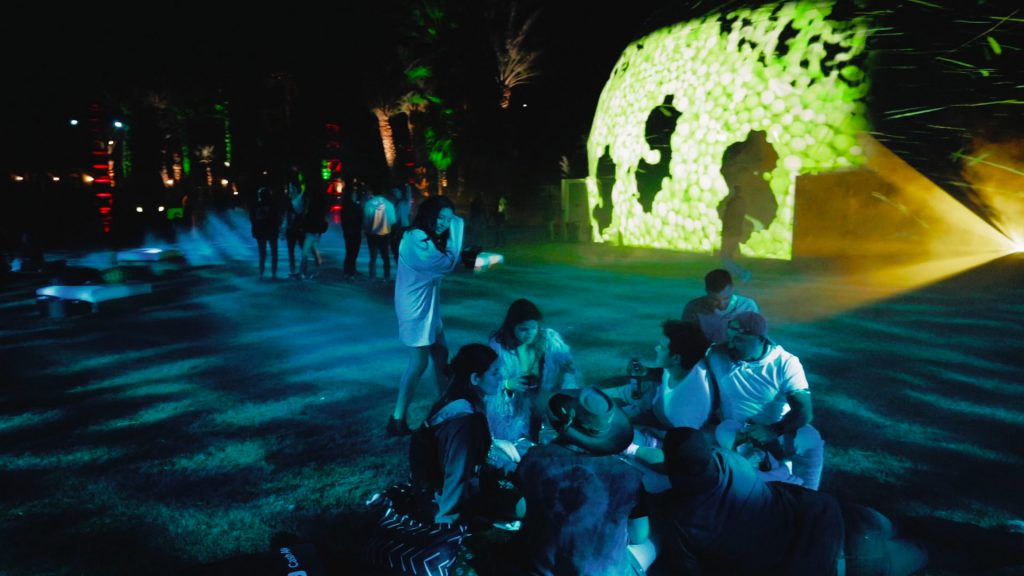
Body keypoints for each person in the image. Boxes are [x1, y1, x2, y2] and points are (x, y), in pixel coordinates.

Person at [653, 427, 927, 576]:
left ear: (672, 468)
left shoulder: (679, 518)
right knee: (907, 536)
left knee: (921, 554)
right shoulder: (730, 462)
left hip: (837, 564)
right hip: (846, 519)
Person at [514, 386, 651, 576]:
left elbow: (519, 508)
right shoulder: (630, 478)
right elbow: (639, 536)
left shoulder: (535, 458)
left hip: (538, 567)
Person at [705, 311, 825, 490]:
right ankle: (782, 484)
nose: (730, 345)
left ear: (760, 339)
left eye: (739, 340)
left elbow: (803, 411)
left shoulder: (785, 363)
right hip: (736, 428)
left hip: (778, 429)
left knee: (810, 438)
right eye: (729, 338)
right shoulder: (716, 354)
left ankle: (809, 492)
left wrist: (773, 431)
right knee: (730, 431)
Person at [409, 343, 522, 525]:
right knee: (533, 503)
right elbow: (456, 472)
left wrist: (501, 454)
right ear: (475, 378)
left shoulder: (458, 401)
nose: (501, 377)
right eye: (495, 373)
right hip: (442, 501)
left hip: (446, 492)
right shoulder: (464, 419)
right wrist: (449, 520)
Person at [390, 196, 464, 436]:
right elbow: (447, 263)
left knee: (442, 357)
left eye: (449, 220)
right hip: (414, 309)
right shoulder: (415, 238)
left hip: (428, 307)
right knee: (418, 363)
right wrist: (457, 229)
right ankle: (397, 419)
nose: (444, 224)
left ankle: (446, 407)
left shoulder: (427, 237)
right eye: (441, 218)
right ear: (429, 214)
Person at [485, 298, 580, 445]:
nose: (529, 334)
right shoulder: (499, 347)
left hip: (544, 402)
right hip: (513, 408)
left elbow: (569, 369)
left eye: (533, 328)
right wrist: (507, 384)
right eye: (523, 329)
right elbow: (487, 377)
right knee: (517, 442)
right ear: (511, 327)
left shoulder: (549, 340)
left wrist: (560, 393)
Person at [682, 268, 760, 344]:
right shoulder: (694, 308)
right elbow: (687, 339)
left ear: (732, 288)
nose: (722, 305)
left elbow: (755, 338)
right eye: (714, 300)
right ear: (707, 291)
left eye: (726, 298)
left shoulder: (748, 306)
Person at [362, 184, 396, 281]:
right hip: (385, 234)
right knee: (385, 256)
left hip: (372, 234)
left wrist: (367, 230)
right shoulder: (389, 204)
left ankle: (372, 276)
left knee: (373, 256)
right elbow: (393, 220)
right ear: (383, 193)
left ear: (373, 192)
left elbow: (366, 220)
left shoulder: (368, 204)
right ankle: (386, 276)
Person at [249, 186, 281, 280]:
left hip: (260, 232)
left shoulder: (255, 205)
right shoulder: (273, 205)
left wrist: (255, 229)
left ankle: (261, 273)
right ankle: (273, 273)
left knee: (262, 253)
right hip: (272, 231)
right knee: (274, 253)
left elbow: (252, 219)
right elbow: (277, 219)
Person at [340, 177, 363, 278]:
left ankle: (348, 271)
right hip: (355, 232)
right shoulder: (356, 207)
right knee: (353, 252)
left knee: (349, 251)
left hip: (347, 232)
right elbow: (361, 220)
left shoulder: (344, 206)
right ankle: (351, 271)